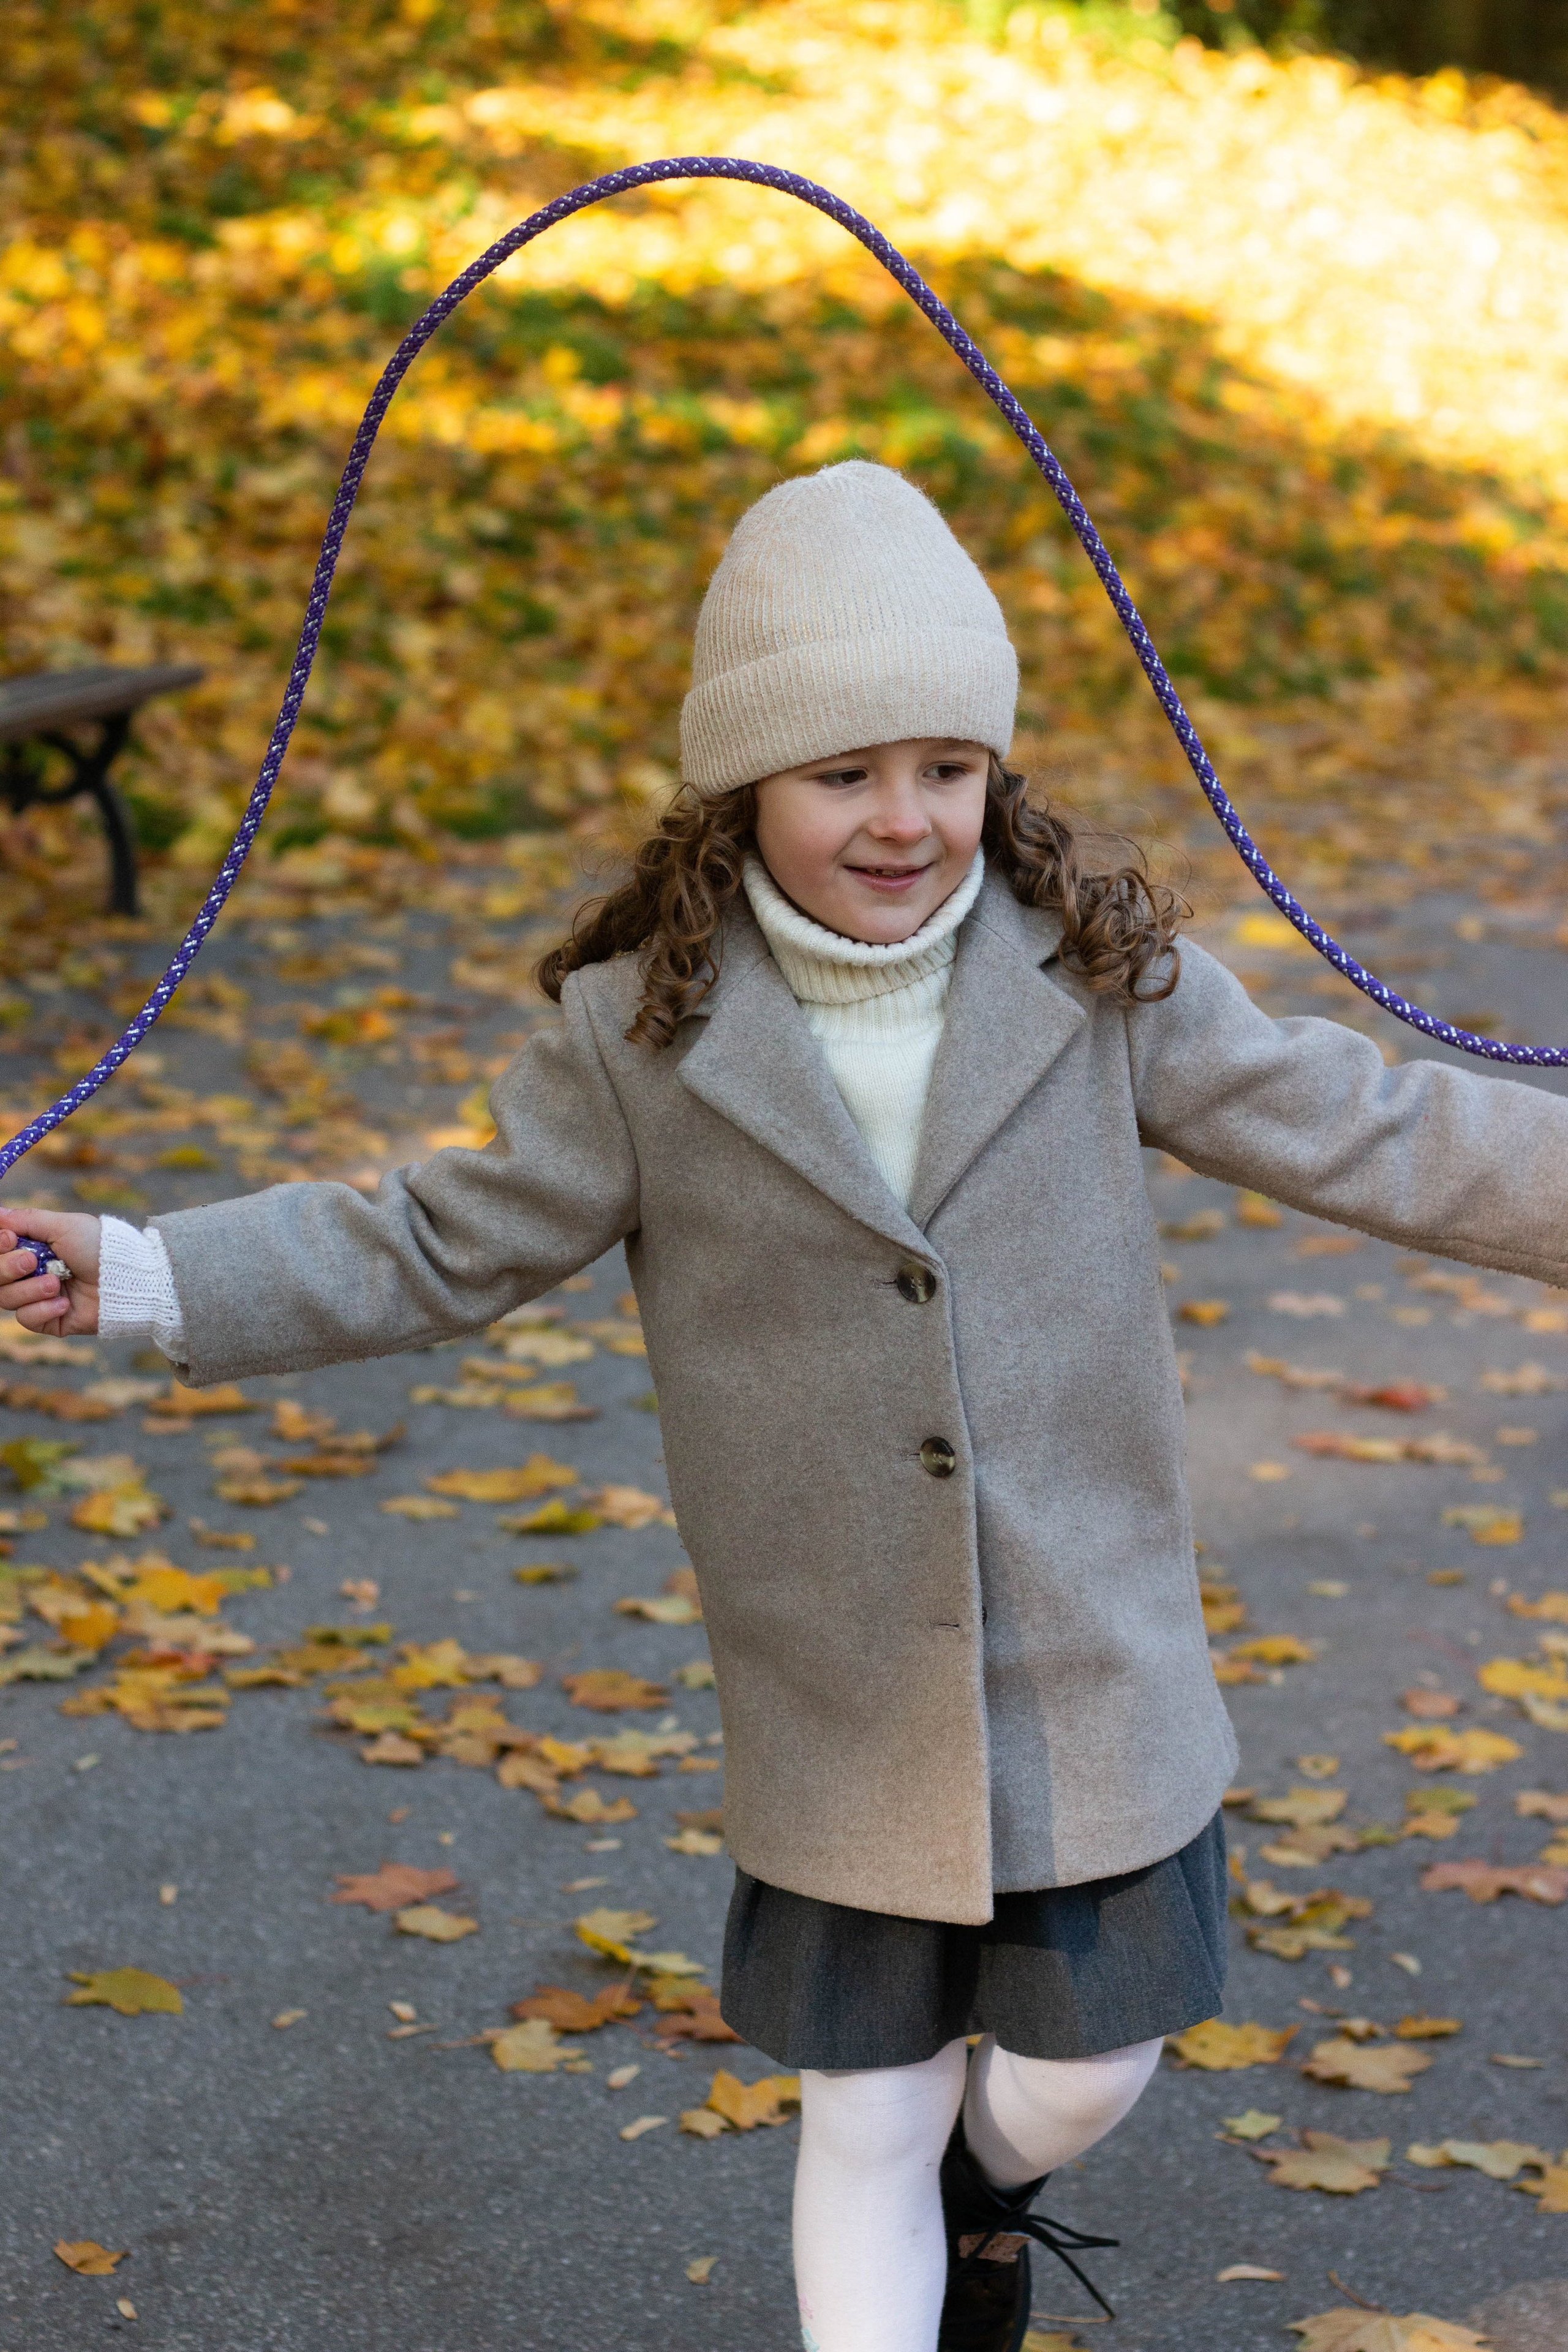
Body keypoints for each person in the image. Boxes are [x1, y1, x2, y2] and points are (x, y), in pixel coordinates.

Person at [6, 461, 1568, 2352]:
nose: (903, 820)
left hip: (1090, 1659)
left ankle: (990, 2202)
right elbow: (428, 1236)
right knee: (868, 2110)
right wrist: (148, 1274)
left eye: (946, 766)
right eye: (843, 775)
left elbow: (1372, 1119)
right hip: (843, 1685)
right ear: (740, 785)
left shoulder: (1097, 975)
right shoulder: (643, 1036)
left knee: (1088, 2074)